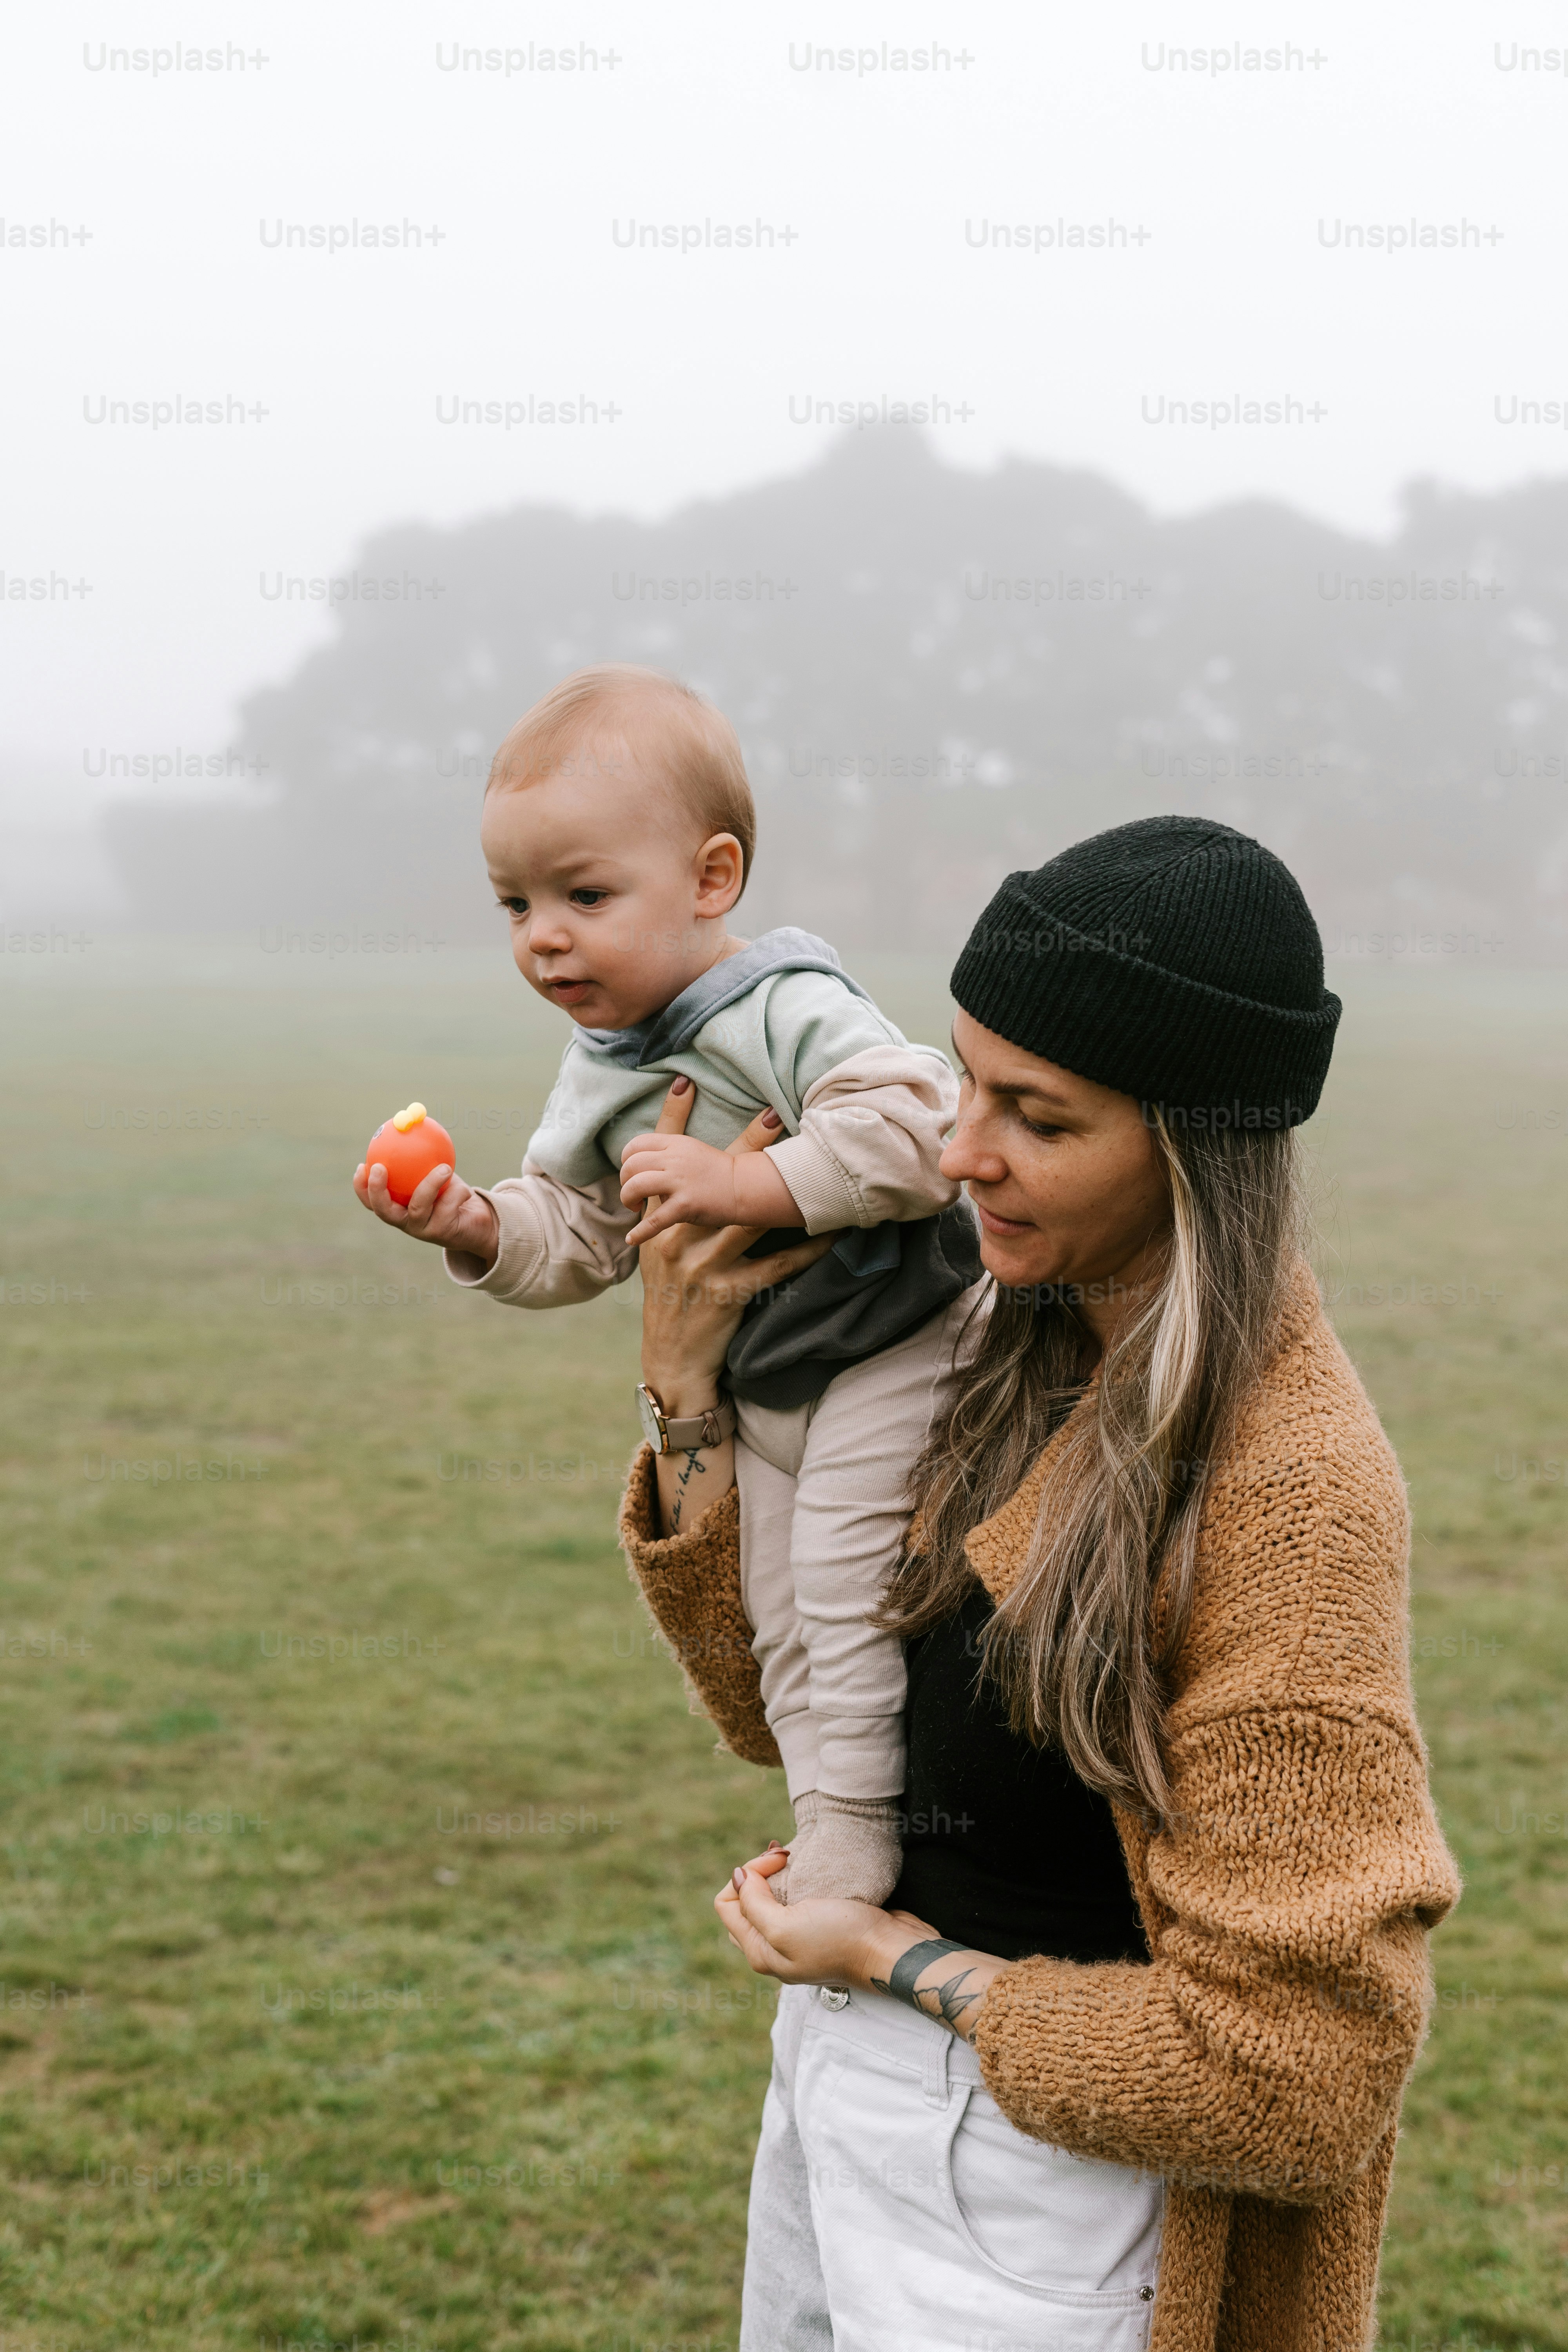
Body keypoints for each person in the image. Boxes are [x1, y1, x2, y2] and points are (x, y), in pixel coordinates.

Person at [619, 817, 1462, 2352]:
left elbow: (1298, 2074)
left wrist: (897, 1959)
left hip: (1042, 2201)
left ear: (1195, 1147)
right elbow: (782, 1712)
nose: (956, 1155)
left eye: (1037, 1116)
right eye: (960, 1081)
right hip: (833, 2089)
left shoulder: (1288, 1492)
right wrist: (686, 1400)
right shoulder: (986, 1326)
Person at [352, 661, 984, 1904]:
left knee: (847, 1587)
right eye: (515, 903)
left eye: (584, 894)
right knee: (775, 1616)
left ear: (711, 879)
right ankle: (827, 1812)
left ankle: (859, 1832)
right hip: (764, 1390)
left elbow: (924, 1130)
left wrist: (747, 1186)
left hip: (894, 1347)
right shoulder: (605, 1063)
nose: (543, 936)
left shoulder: (787, 1006)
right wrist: (477, 1226)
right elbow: (579, 1232)